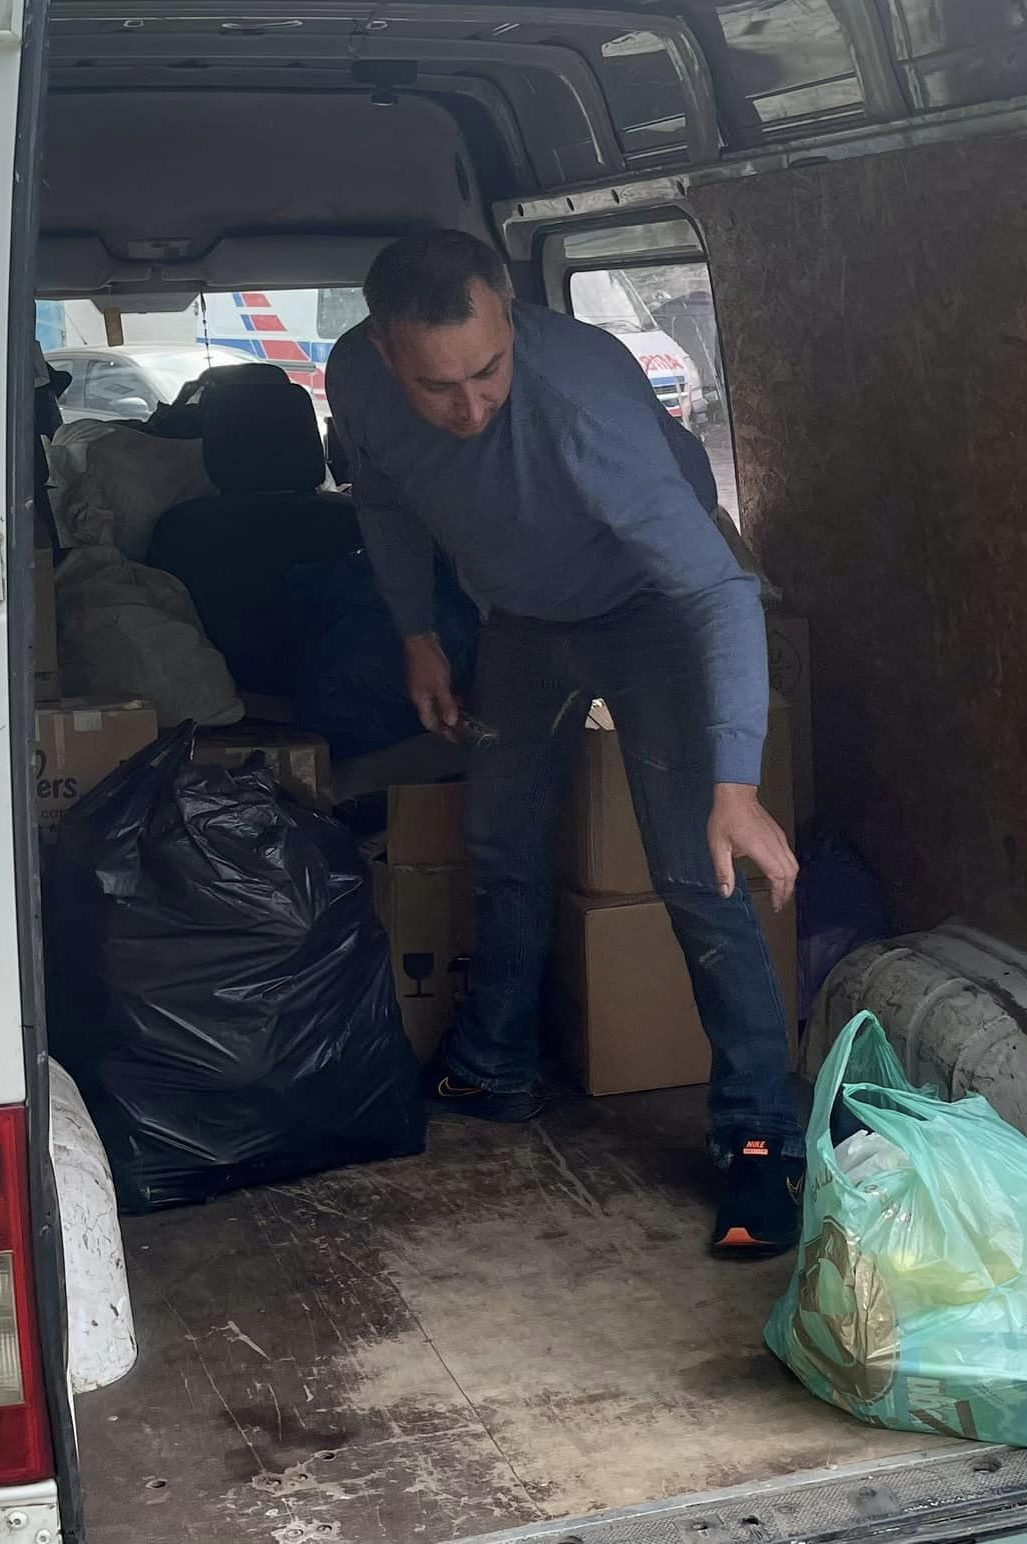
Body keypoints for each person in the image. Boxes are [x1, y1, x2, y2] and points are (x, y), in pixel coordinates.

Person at [328, 229, 804, 1257]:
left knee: (699, 875)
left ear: (510, 317)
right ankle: (493, 1065)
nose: (470, 408)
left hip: (648, 610)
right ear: (381, 350)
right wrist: (417, 633)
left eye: (488, 370)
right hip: (521, 620)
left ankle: (761, 1139)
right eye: (437, 385)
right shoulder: (355, 383)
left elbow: (717, 591)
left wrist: (736, 785)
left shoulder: (582, 405)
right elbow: (385, 498)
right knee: (499, 842)